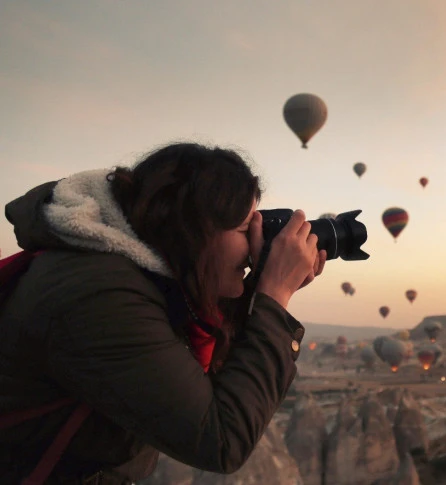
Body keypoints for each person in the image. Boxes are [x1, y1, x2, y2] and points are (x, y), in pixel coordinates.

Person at [0, 142, 327, 484]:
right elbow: (220, 440)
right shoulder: (100, 294)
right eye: (245, 229)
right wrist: (274, 296)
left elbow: (206, 373)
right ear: (193, 229)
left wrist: (259, 288)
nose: (255, 244)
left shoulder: (134, 278)